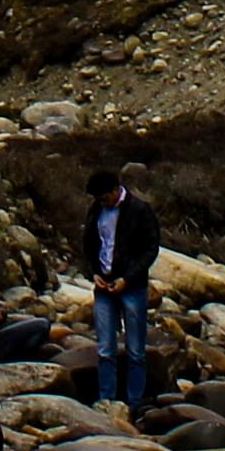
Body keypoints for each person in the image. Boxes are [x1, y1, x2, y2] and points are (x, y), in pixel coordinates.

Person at [83, 168, 164, 416]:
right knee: (105, 348)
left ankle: (134, 402)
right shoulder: (96, 209)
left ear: (115, 190)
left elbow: (151, 248)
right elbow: (90, 244)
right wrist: (93, 272)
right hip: (104, 285)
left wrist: (127, 279)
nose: (101, 202)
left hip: (132, 287)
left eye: (104, 197)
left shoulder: (140, 210)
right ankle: (107, 400)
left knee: (135, 350)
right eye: (98, 198)